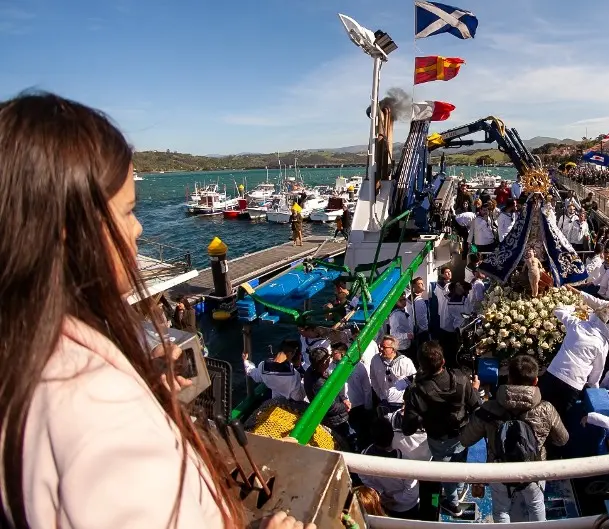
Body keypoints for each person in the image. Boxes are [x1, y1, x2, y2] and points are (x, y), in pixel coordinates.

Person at [0, 92, 324, 528]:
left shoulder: (28, 355)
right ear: (66, 232)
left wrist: (146, 384)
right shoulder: (105, 423)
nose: (138, 228)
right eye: (129, 211)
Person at [459, 355, 569, 523]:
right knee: (536, 505)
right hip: (534, 470)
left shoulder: (488, 408)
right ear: (535, 381)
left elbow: (466, 440)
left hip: (499, 471)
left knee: (501, 510)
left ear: (508, 378)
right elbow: (563, 440)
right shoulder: (546, 409)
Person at [402, 341, 481, 517]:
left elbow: (407, 428)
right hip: (463, 433)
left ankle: (453, 504)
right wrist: (474, 389)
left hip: (439, 439)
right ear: (443, 361)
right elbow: (477, 406)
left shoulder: (416, 391)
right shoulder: (461, 378)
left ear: (421, 365)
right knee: (460, 463)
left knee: (445, 471)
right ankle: (460, 489)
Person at [538, 300, 609, 417]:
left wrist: (576, 307)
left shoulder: (577, 324)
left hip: (555, 372)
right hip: (574, 383)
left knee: (538, 409)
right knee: (558, 419)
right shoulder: (603, 343)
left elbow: (558, 310)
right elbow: (598, 370)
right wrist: (592, 387)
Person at [358, 417, 421, 519]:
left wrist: (382, 495)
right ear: (392, 435)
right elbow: (411, 494)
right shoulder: (404, 461)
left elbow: (365, 479)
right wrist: (393, 499)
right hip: (406, 507)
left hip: (384, 502)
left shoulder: (362, 457)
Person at [242, 339, 307, 402]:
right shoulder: (294, 375)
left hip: (276, 401)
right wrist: (299, 369)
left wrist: (245, 361)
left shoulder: (263, 366)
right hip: (290, 404)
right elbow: (298, 397)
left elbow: (254, 374)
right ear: (290, 354)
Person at [369, 335, 417, 413]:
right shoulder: (375, 359)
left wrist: (406, 401)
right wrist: (380, 395)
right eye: (380, 346)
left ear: (393, 349)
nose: (380, 349)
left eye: (384, 347)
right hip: (383, 401)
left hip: (401, 404)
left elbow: (414, 381)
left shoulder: (405, 362)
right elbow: (373, 378)